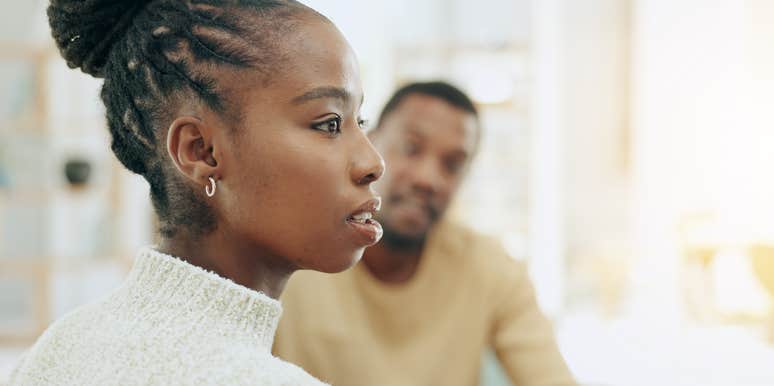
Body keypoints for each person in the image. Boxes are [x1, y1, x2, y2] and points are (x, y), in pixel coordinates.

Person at [9, 0, 384, 385]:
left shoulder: (58, 347)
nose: (373, 162)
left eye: (360, 121)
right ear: (201, 151)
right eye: (329, 124)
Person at [274, 81, 578, 386]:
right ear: (370, 143)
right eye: (411, 148)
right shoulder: (290, 254)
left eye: (452, 165)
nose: (427, 179)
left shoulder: (491, 269)